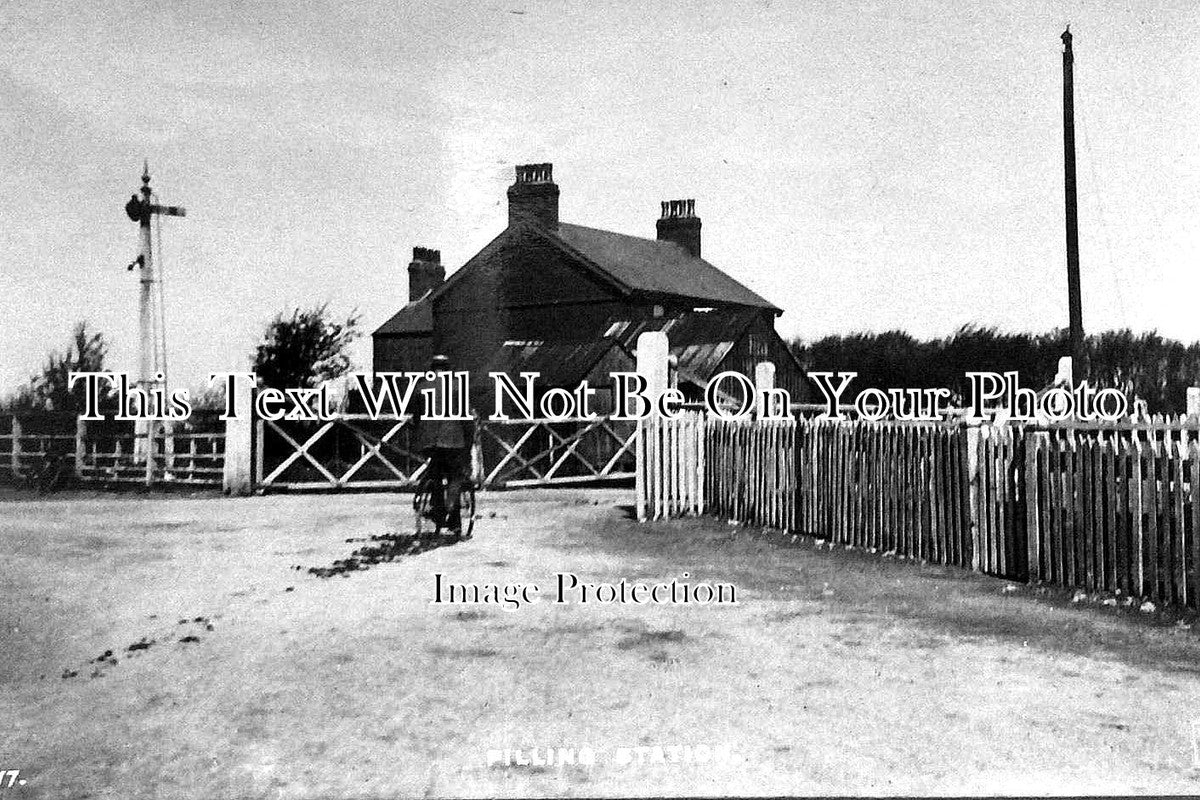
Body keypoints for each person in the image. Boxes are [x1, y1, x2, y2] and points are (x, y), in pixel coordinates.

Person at [412, 354, 475, 536]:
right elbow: (466, 419)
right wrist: (468, 444)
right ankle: (451, 513)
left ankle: (438, 512)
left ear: (432, 369)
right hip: (453, 441)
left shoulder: (421, 386)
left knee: (436, 474)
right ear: (448, 369)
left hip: (429, 442)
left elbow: (416, 417)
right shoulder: (457, 386)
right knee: (456, 475)